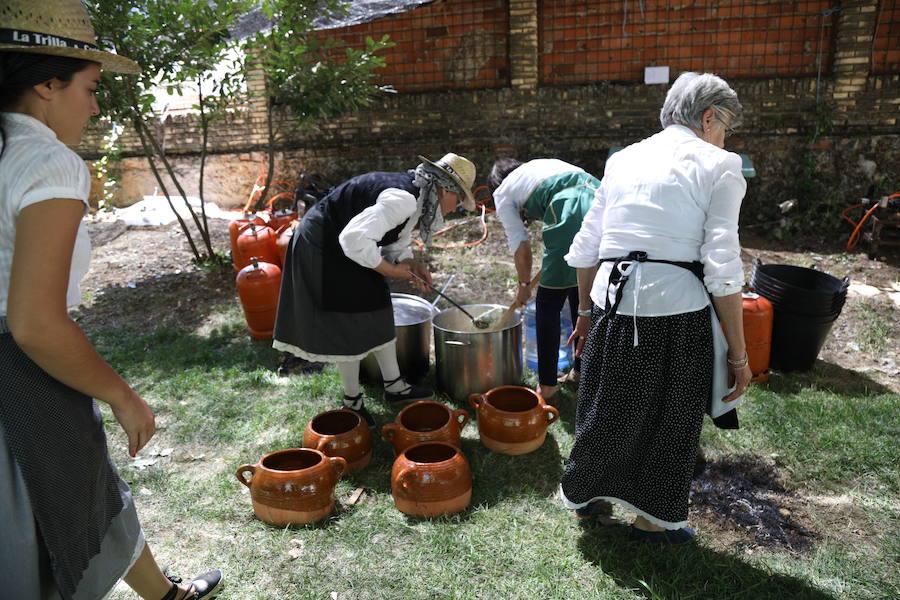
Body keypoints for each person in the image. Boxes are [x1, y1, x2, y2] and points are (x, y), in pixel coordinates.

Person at [0, 1, 221, 598]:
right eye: (91, 88)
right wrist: (122, 396)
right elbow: (35, 324)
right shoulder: (45, 161)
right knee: (43, 528)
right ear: (48, 83)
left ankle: (166, 595)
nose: (96, 106)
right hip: (21, 379)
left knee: (91, 490)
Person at [559, 72, 752, 545]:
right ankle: (652, 521)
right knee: (670, 419)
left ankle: (585, 494)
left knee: (605, 406)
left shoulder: (623, 158)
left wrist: (585, 313)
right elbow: (722, 265)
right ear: (708, 117)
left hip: (611, 303)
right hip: (675, 309)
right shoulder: (721, 163)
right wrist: (739, 355)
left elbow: (587, 247)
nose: (726, 137)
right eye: (725, 126)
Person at [273, 153, 476, 426]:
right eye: (458, 200)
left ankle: (394, 387)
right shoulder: (404, 199)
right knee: (348, 319)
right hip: (324, 245)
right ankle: (352, 402)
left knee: (378, 306)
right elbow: (353, 238)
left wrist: (409, 262)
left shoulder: (417, 198)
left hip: (349, 246)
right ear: (444, 189)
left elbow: (394, 240)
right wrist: (390, 270)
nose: (456, 208)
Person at [488, 158, 599, 401]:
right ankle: (581, 372)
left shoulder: (503, 191)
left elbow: (522, 248)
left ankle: (547, 387)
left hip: (570, 208)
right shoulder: (539, 167)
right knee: (581, 295)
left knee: (547, 306)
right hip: (601, 198)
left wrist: (524, 286)